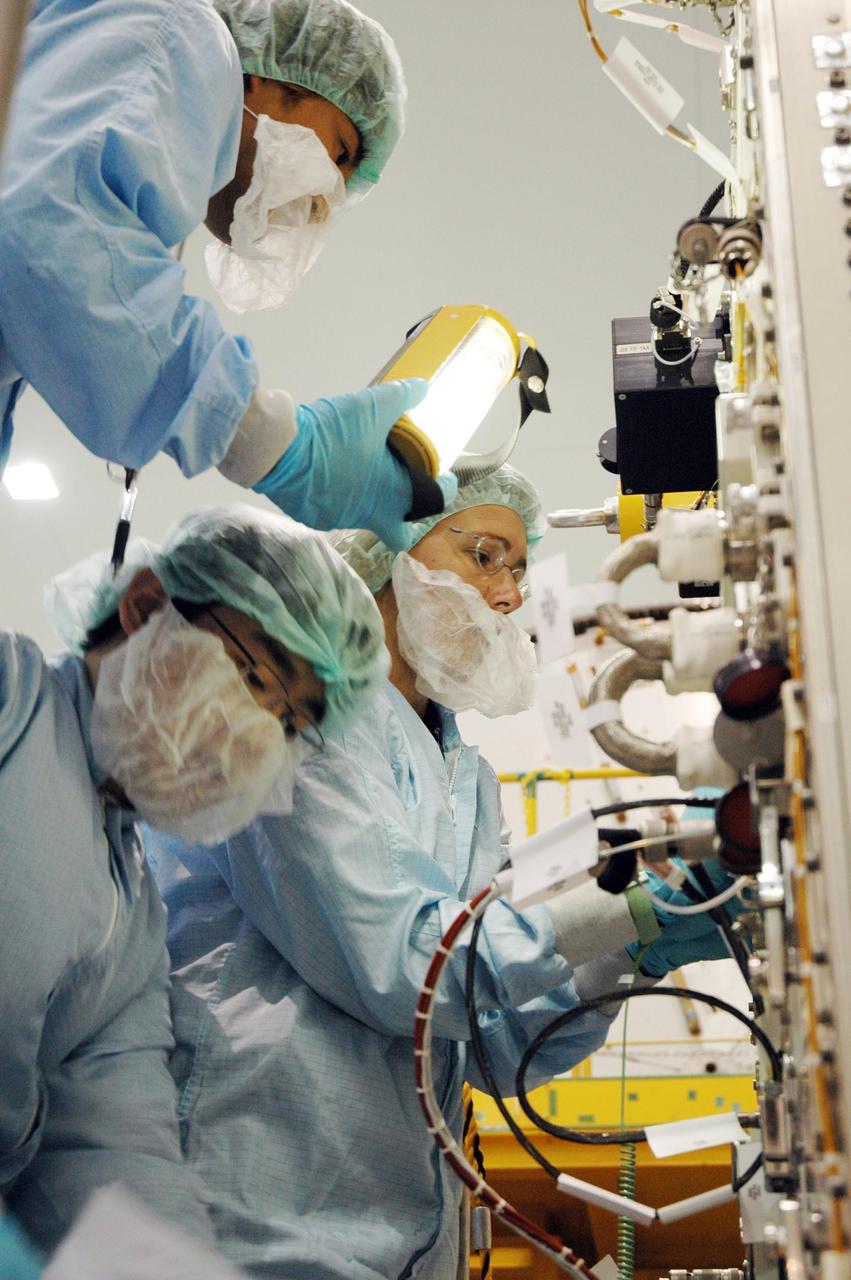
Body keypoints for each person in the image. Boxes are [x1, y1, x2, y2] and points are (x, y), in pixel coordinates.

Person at [147, 466, 741, 1280]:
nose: (505, 594)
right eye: (484, 555)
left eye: (519, 571)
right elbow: (409, 972)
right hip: (249, 1208)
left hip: (400, 1229)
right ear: (383, 552)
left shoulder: (466, 776)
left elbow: (494, 1044)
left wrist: (630, 950)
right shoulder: (286, 717)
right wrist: (627, 907)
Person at [0, 504, 388, 1256]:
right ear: (146, 608)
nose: (253, 735)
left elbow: (110, 1152)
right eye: (252, 677)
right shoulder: (12, 703)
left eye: (285, 721)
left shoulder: (131, 928)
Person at [0, 0, 454, 549]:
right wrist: (276, 444)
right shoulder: (183, 34)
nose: (324, 201)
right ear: (266, 75)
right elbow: (50, 234)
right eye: (338, 152)